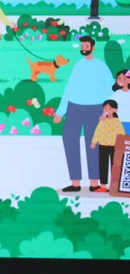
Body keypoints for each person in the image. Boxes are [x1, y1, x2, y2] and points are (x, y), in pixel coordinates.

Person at [53, 36, 114, 193]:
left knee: (93, 144)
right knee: (70, 142)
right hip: (74, 108)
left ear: (93, 47)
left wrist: (107, 112)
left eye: (87, 45)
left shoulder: (101, 66)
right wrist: (61, 112)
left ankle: (94, 183)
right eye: (82, 45)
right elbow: (69, 88)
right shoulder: (78, 65)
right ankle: (75, 182)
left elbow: (109, 89)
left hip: (95, 109)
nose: (84, 47)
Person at [90, 99, 125, 193]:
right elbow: (97, 131)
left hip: (115, 147)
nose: (106, 110)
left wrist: (122, 146)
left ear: (115, 110)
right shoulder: (102, 121)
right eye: (105, 108)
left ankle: (114, 186)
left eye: (109, 108)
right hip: (103, 146)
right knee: (103, 165)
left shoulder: (117, 122)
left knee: (115, 167)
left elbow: (122, 134)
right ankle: (103, 186)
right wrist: (94, 142)